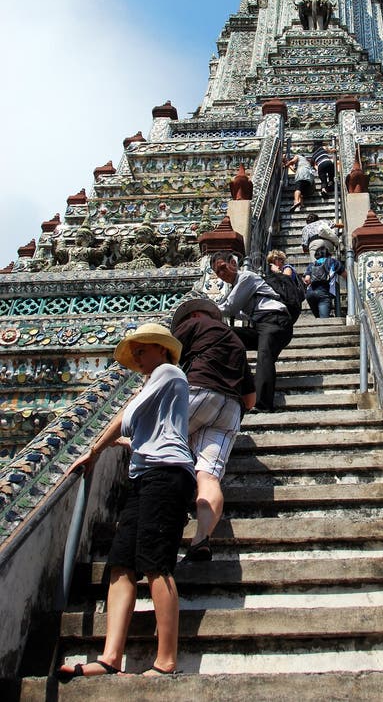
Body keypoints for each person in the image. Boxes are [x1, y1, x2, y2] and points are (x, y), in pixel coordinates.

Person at [57, 323, 196, 680]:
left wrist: (110, 441)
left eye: (142, 349)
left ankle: (165, 662)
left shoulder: (169, 372)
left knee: (155, 563)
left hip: (167, 475)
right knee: (121, 564)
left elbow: (129, 419)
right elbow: (128, 420)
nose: (136, 356)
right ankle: (110, 656)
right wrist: (95, 451)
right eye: (134, 352)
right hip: (144, 475)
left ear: (162, 349)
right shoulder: (151, 384)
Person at [171, 297, 255, 563]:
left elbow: (165, 357)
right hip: (230, 407)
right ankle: (201, 538)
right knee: (209, 476)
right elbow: (251, 400)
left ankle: (170, 510)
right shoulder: (237, 342)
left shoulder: (195, 325)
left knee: (164, 448)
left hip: (196, 390)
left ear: (194, 315)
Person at [211, 253, 293, 412]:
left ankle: (262, 404)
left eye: (223, 268)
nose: (222, 274)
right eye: (217, 272)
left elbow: (230, 307)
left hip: (276, 320)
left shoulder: (246, 277)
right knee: (224, 335)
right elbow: (242, 312)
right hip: (260, 325)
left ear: (233, 263)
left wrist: (205, 309)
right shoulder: (237, 285)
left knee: (264, 356)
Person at [304, 247, 345, 319]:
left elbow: (307, 279)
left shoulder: (312, 264)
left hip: (310, 294)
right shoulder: (332, 262)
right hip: (324, 294)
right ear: (328, 254)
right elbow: (346, 275)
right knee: (323, 320)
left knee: (318, 318)